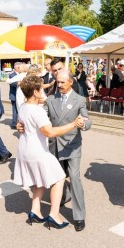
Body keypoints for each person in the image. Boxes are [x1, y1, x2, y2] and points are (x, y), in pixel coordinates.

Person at [13, 75, 86, 230]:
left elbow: (23, 124)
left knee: (39, 181)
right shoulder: (37, 110)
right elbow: (49, 132)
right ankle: (54, 214)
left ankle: (35, 211)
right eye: (41, 87)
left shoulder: (23, 107)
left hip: (24, 149)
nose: (44, 88)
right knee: (59, 177)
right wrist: (73, 124)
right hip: (37, 151)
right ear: (35, 91)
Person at [42, 70, 92, 232]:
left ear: (71, 82)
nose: (59, 85)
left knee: (75, 178)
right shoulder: (51, 99)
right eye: (58, 82)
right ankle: (62, 197)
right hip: (54, 144)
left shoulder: (79, 100)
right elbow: (42, 118)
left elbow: (86, 119)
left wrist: (84, 124)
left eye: (63, 82)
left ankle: (79, 216)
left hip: (72, 145)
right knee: (58, 177)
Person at [8, 63, 21, 129]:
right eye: (20, 67)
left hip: (20, 95)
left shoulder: (20, 74)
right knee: (15, 110)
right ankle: (14, 124)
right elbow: (13, 84)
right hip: (14, 95)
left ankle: (19, 122)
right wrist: (19, 83)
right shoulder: (12, 75)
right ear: (17, 68)